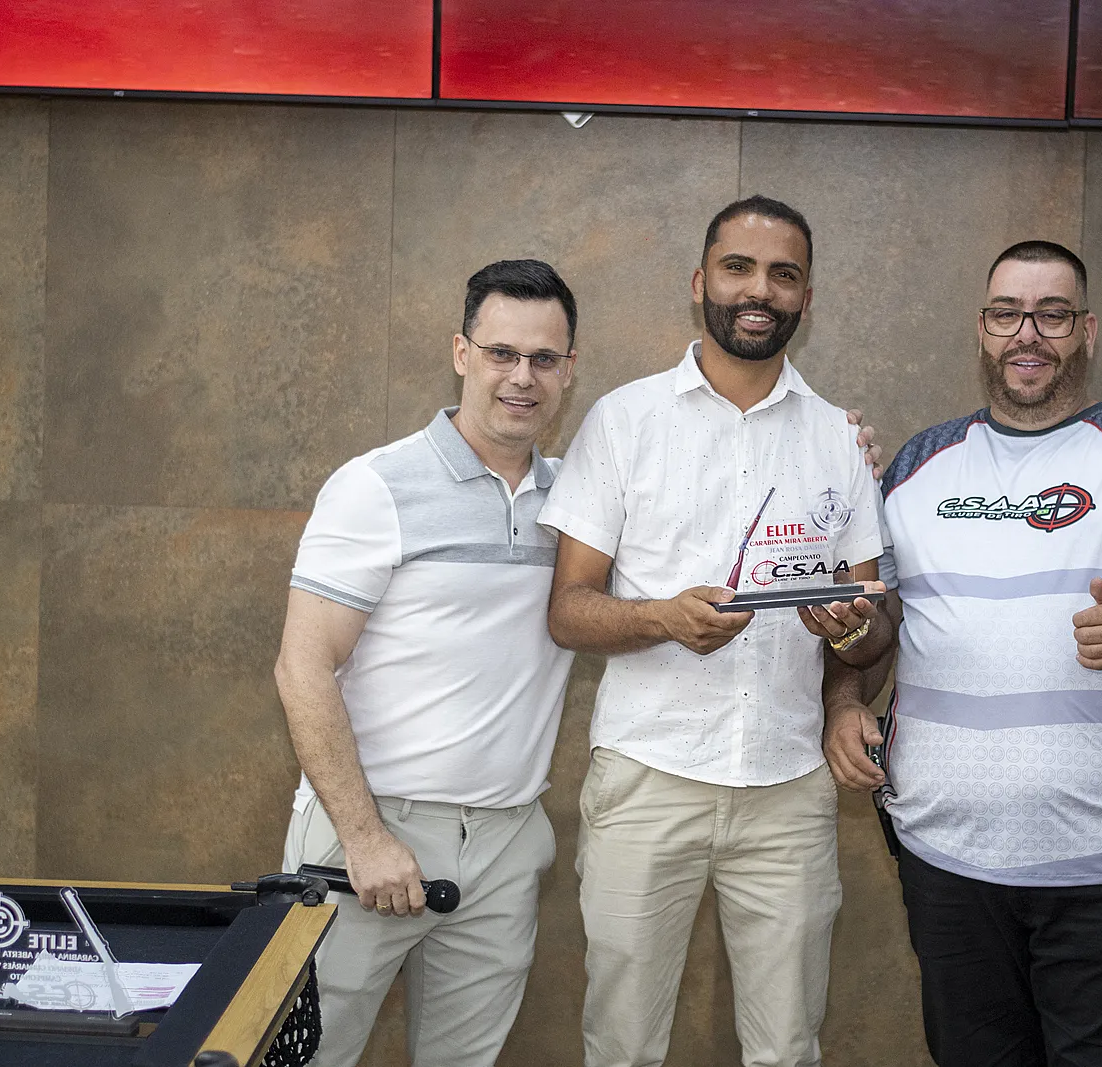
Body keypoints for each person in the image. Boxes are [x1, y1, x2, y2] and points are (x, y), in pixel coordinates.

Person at [824, 241, 1102, 1067]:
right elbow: (877, 623)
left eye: (1052, 314)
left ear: (1087, 331)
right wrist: (844, 701)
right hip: (945, 863)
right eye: (1007, 313)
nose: (1026, 332)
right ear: (982, 329)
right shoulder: (919, 463)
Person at [540, 195, 891, 1067]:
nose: (759, 289)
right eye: (739, 267)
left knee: (788, 1048)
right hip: (647, 777)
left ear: (807, 297)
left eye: (783, 274)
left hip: (789, 789)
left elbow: (873, 628)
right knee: (622, 1046)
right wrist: (661, 616)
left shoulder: (841, 439)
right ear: (701, 281)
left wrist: (847, 633)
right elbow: (569, 607)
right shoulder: (623, 420)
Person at [273, 260, 580, 1067]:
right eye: (501, 352)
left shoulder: (580, 503)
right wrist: (364, 836)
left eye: (544, 358)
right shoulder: (376, 486)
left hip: (506, 844)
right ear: (461, 352)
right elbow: (302, 669)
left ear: (569, 370)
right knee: (308, 1056)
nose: (522, 377)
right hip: (367, 832)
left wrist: (839, 452)